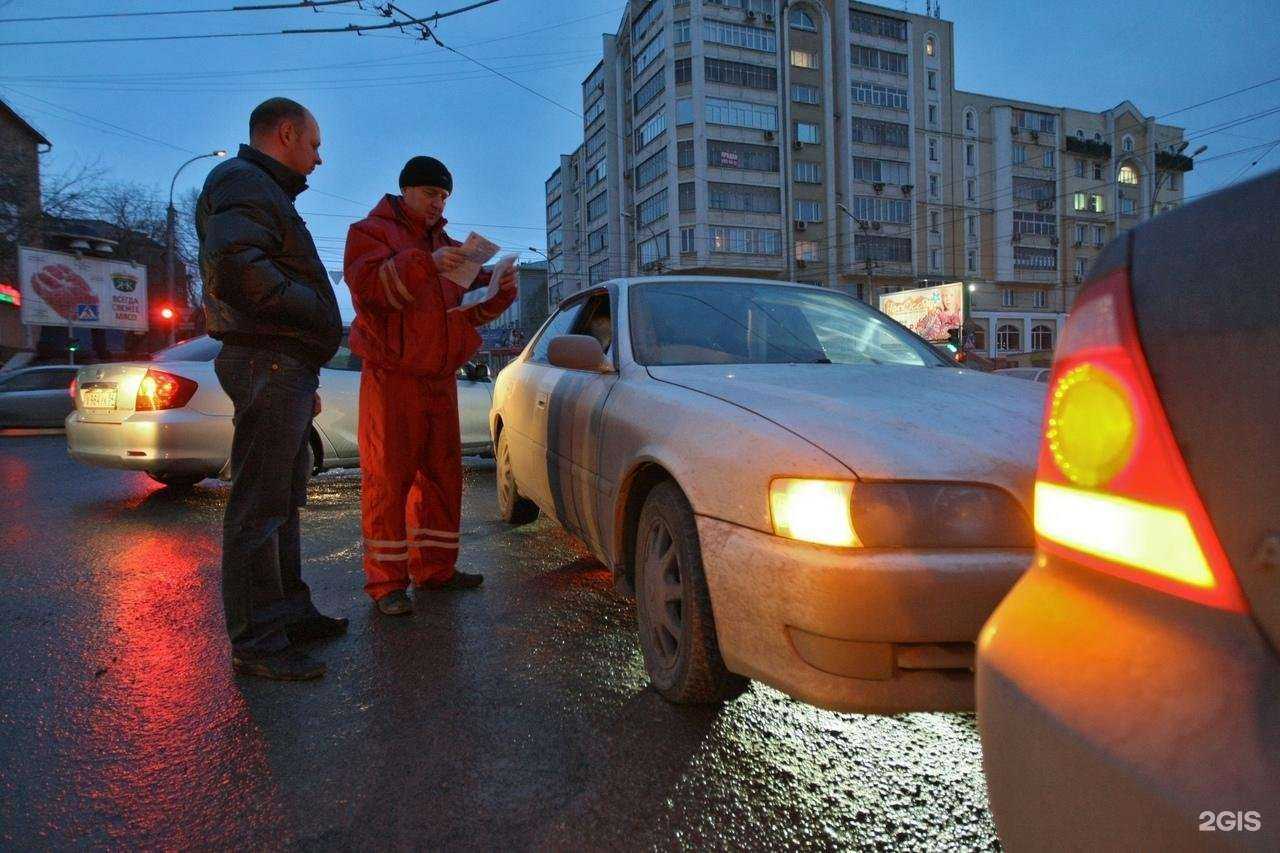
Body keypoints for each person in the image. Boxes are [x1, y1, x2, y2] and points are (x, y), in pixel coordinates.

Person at [197, 98, 347, 680]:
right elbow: (238, 268)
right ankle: (258, 642)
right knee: (259, 505)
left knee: (282, 500)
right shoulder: (242, 181)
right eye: (313, 144)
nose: (318, 158)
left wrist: (304, 356)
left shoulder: (260, 188)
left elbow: (250, 265)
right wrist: (312, 316)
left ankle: (287, 612)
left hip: (282, 361)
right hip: (269, 358)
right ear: (285, 134)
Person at [344, 156, 517, 616]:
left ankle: (435, 569)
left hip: (440, 380)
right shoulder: (370, 233)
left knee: (442, 478)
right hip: (392, 379)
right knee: (387, 481)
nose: (437, 204)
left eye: (443, 197)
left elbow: (468, 312)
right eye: (429, 194)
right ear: (406, 191)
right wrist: (426, 262)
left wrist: (500, 287)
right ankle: (386, 584)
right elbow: (371, 293)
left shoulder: (450, 246)